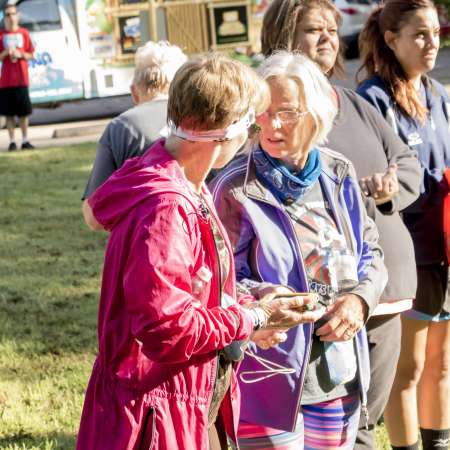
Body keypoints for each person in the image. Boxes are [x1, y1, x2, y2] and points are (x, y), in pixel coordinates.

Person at [76, 53, 325, 450]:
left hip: (186, 399)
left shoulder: (190, 185)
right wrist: (251, 316)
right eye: (249, 126)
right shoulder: (167, 209)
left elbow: (192, 294)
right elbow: (164, 330)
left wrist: (251, 305)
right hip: (153, 414)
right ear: (225, 133)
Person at [259, 1, 422, 448]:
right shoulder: (268, 112)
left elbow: (408, 163)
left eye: (333, 29)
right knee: (318, 424)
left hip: (380, 290)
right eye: (315, 29)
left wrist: (385, 190)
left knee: (365, 420)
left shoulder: (352, 100)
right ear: (282, 37)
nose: (330, 37)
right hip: (309, 304)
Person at [211, 51, 388, 449]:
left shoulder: (337, 172)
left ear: (316, 113)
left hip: (336, 368)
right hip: (266, 377)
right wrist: (260, 302)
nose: (272, 125)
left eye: (287, 112)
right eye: (264, 111)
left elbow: (370, 253)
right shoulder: (235, 186)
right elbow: (216, 276)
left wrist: (359, 301)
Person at [357, 1, 450, 449]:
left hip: (445, 246)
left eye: (436, 32)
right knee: (408, 369)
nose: (432, 42)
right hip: (407, 253)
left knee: (442, 364)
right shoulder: (373, 99)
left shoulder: (440, 95)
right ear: (391, 39)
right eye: (420, 34)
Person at [82, 41, 186, 228]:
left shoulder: (121, 127)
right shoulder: (200, 122)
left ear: (134, 92)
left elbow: (93, 216)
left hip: (142, 242)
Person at [0, 2, 35, 151]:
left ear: (18, 15)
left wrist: (21, 54)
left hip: (21, 79)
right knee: (8, 114)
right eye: (8, 15)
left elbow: (31, 54)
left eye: (13, 14)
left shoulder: (24, 33)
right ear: (4, 18)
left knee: (23, 113)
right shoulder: (1, 36)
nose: (11, 17)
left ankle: (25, 140)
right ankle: (12, 141)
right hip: (6, 81)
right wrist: (7, 52)